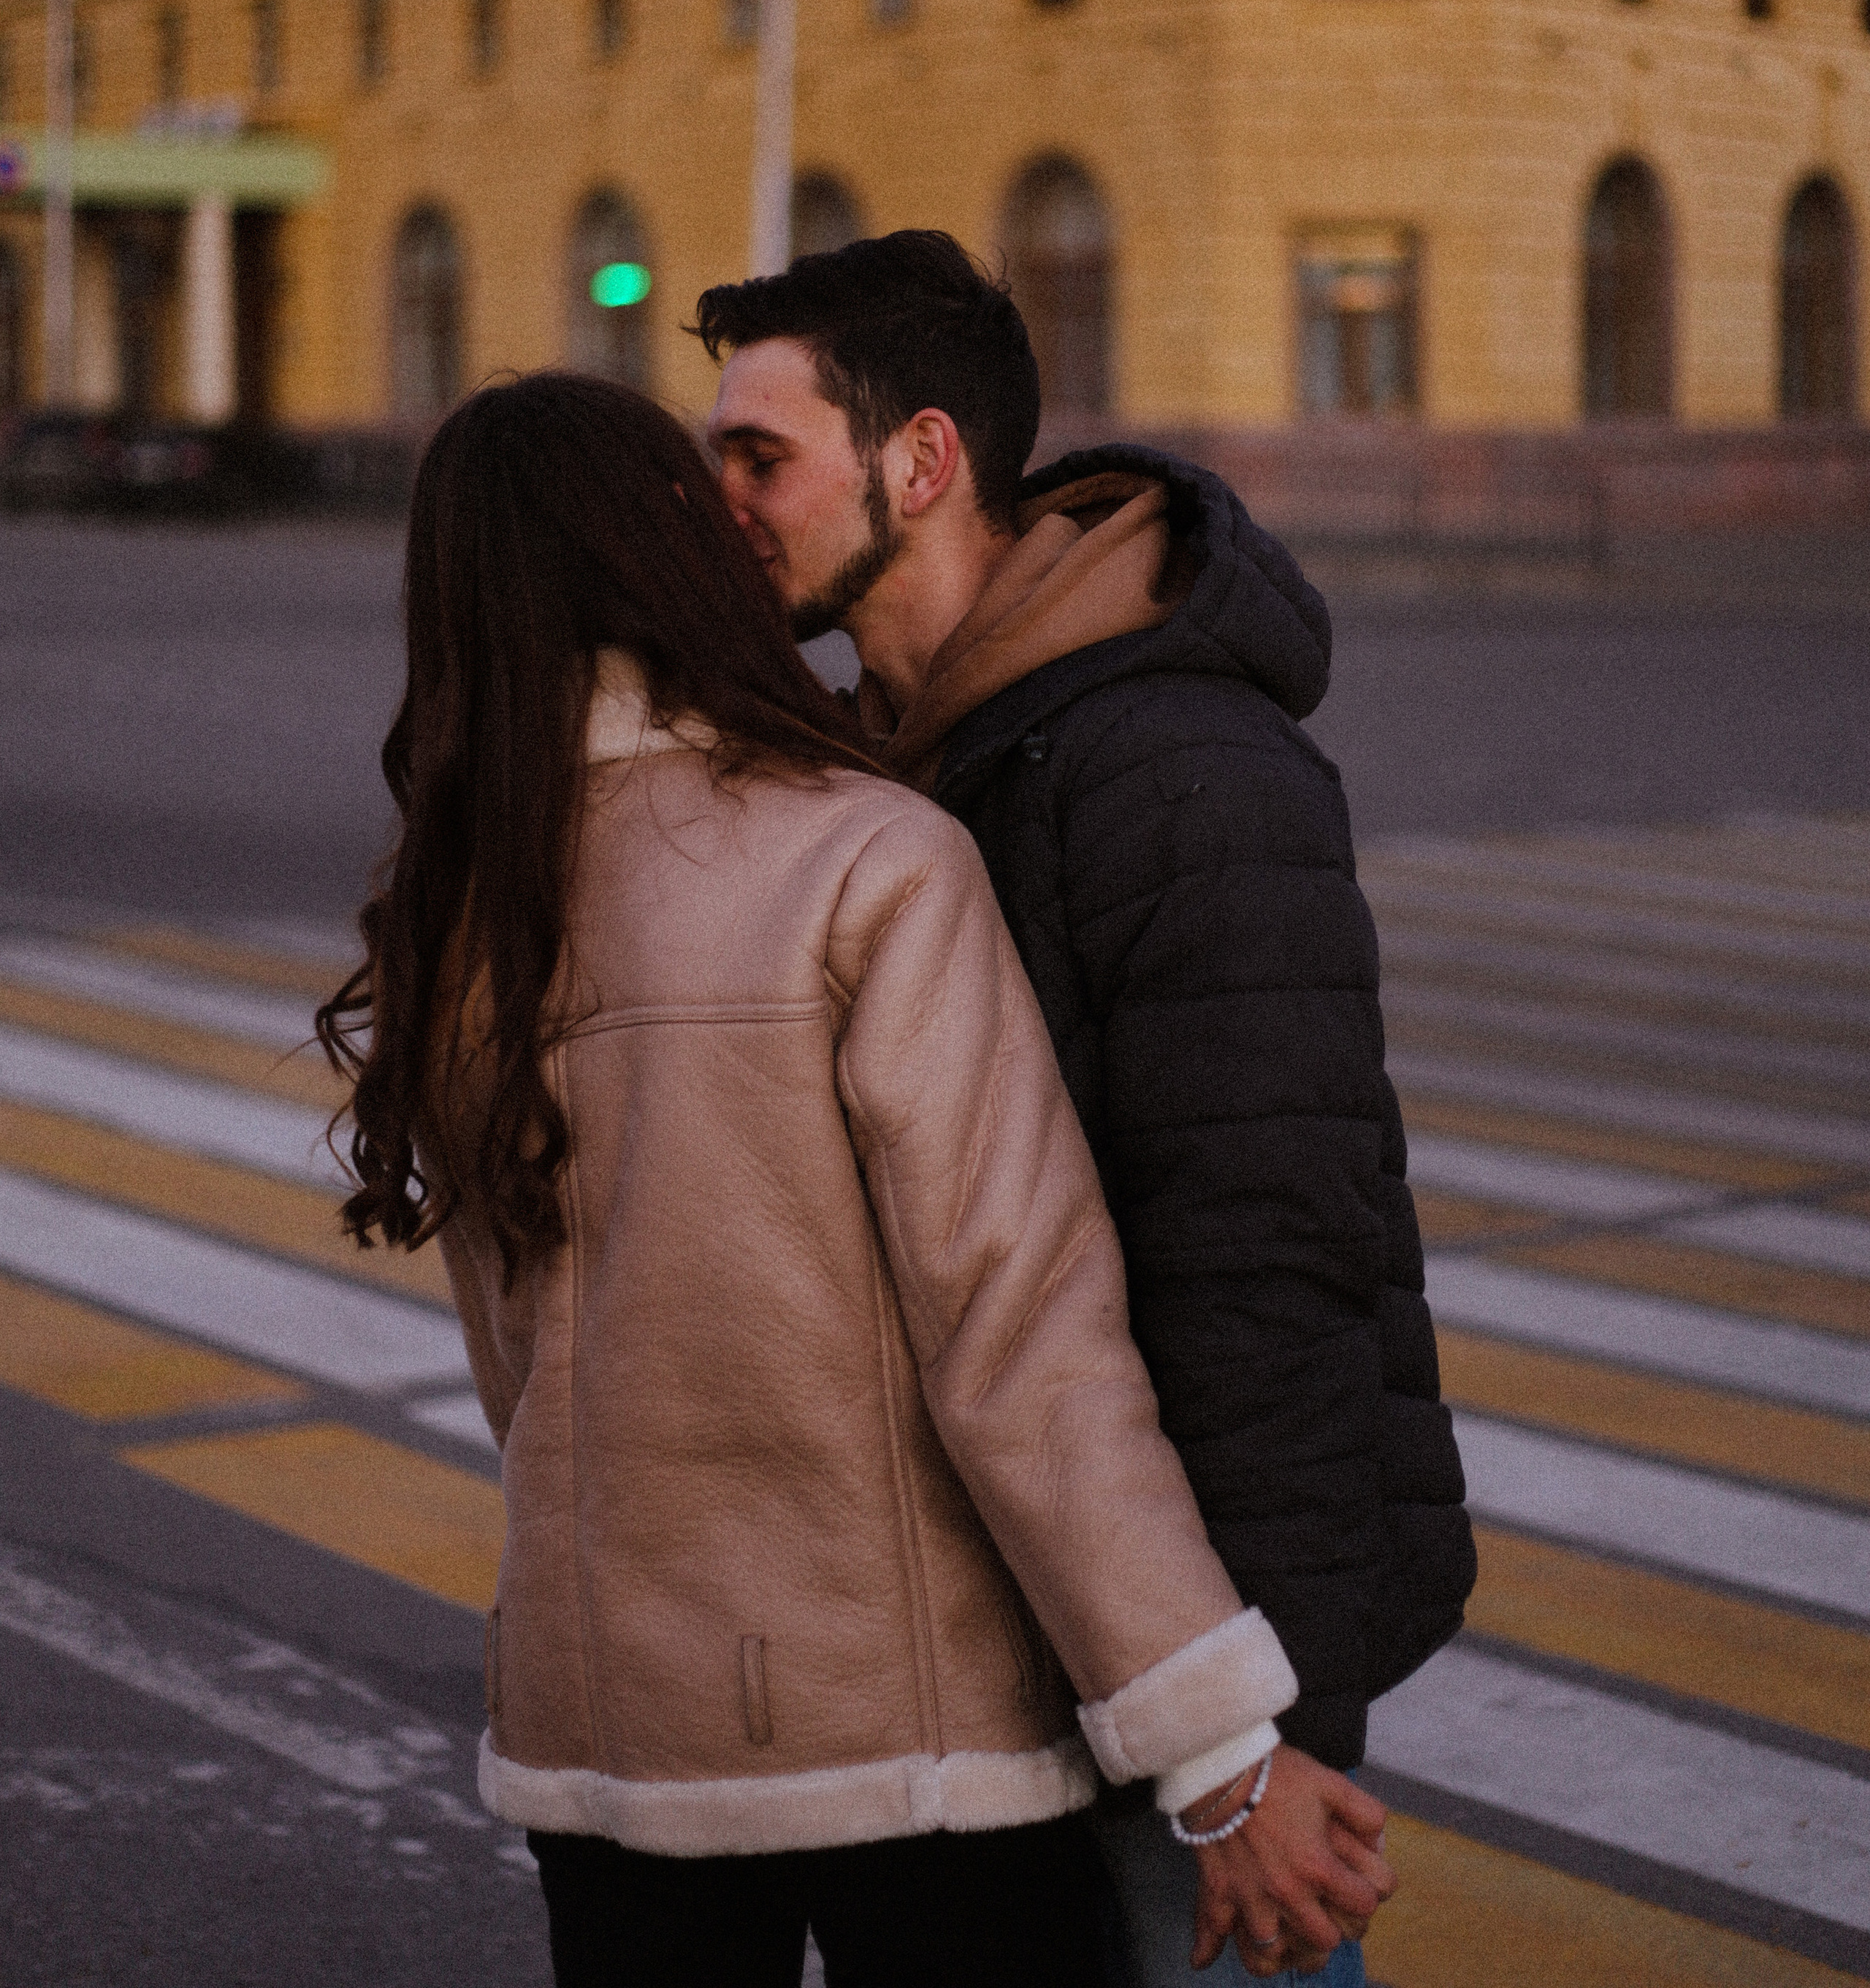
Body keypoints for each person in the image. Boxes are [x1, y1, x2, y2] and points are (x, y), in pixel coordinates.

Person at [318, 373, 1395, 1988]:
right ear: (670, 551)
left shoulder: (465, 922)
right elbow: (1020, 1343)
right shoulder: (862, 859)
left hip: (605, 1738)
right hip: (916, 1756)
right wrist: (1215, 1753)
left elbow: (521, 1371)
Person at [698, 235, 1478, 1988]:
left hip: (1189, 1670)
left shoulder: (1177, 772)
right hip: (1003, 1640)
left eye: (761, 456)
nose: (721, 502)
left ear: (920, 460)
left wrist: (1259, 1735)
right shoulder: (883, 758)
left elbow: (1267, 1267)